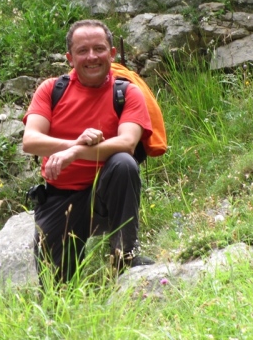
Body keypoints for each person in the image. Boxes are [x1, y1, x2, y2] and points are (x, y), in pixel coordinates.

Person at [22, 19, 155, 283]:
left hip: (106, 194)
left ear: (112, 53)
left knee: (123, 163)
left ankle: (125, 256)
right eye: (82, 51)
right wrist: (76, 143)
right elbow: (31, 141)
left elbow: (127, 143)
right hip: (60, 198)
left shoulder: (127, 93)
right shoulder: (51, 90)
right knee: (57, 289)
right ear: (70, 58)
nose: (91, 57)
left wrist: (75, 153)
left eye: (99, 49)